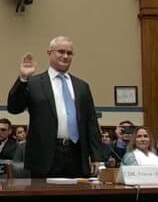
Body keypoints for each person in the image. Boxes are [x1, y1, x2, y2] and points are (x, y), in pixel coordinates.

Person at [7, 36, 106, 178]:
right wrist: (23, 79)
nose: (65, 56)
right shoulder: (34, 83)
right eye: (61, 51)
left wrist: (97, 157)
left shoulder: (82, 86)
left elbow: (91, 122)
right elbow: (14, 108)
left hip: (76, 155)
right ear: (49, 53)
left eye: (69, 53)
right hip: (45, 157)